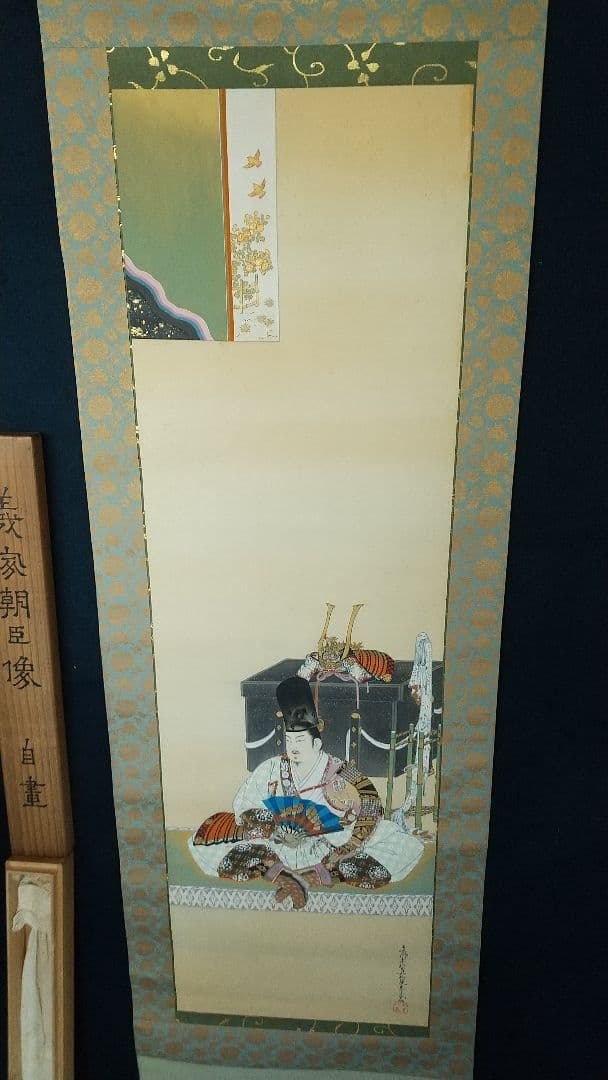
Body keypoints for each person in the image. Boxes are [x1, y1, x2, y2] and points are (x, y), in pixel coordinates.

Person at [189, 676, 424, 909]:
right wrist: (270, 825)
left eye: (300, 740)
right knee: (208, 845)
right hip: (277, 847)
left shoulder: (339, 769)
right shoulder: (271, 767)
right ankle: (285, 877)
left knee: (401, 848)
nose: (293, 747)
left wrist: (351, 842)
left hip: (328, 847)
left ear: (316, 743)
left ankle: (309, 877)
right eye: (289, 740)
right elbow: (246, 804)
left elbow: (370, 801)